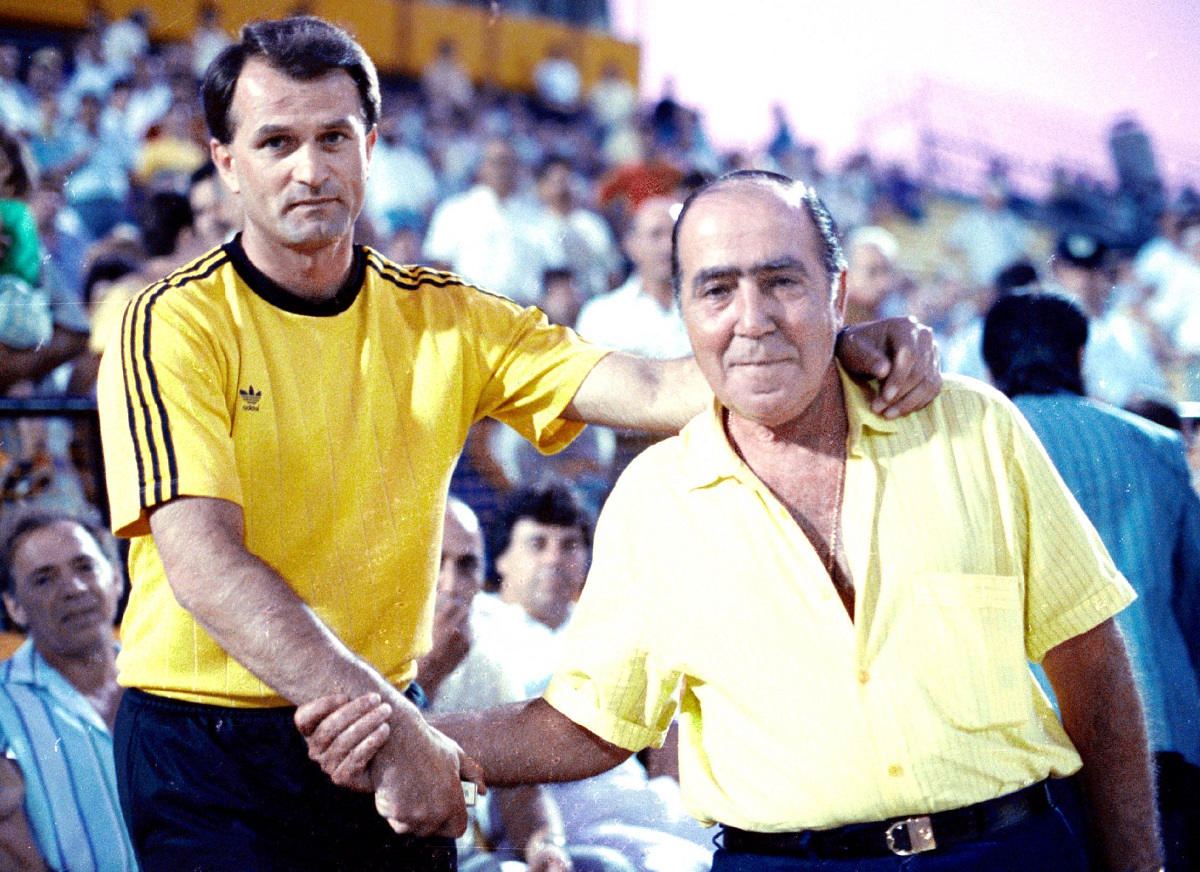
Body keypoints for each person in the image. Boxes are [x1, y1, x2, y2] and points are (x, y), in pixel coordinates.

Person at [96, 18, 938, 872]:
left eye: (333, 138)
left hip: (381, 719)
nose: (310, 169)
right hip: (212, 741)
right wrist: (393, 730)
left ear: (371, 147)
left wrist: (832, 345)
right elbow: (203, 561)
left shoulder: (443, 315)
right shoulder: (172, 322)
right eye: (276, 142)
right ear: (226, 161)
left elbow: (653, 390)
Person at [301, 171, 1160, 872]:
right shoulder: (654, 500)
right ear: (683, 311)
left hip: (1010, 850)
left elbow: (1094, 670)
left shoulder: (973, 428)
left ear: (838, 292)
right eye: (717, 289)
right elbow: (589, 723)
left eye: (781, 281)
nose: (753, 318)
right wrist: (411, 737)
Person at [983, 291, 1200, 871]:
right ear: (1079, 355)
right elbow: (1193, 601)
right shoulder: (1157, 445)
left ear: (990, 366)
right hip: (1163, 729)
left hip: (1035, 747)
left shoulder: (976, 449)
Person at [469, 484, 713, 872]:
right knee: (681, 864)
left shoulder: (607, 626)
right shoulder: (478, 625)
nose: (554, 558)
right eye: (537, 544)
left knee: (734, 845)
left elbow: (668, 727)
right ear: (500, 560)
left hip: (633, 795)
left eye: (569, 545)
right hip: (548, 808)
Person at [0, 511, 137, 871]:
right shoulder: (3, 708)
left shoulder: (165, 681)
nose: (73, 588)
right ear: (14, 607)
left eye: (85, 567)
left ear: (117, 578)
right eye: (44, 579)